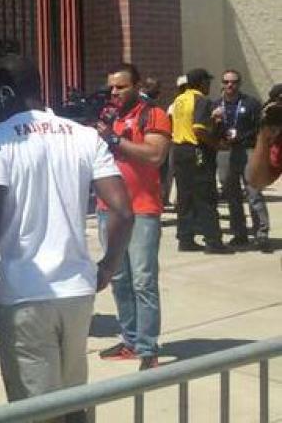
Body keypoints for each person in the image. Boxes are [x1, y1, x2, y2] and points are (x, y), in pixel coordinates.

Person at [0, 55, 134, 416]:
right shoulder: (85, 136)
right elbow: (124, 211)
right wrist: (108, 266)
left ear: (5, 93)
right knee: (74, 401)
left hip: (23, 296)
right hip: (77, 292)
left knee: (35, 411)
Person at [95, 64, 171, 371]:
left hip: (142, 210)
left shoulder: (153, 115)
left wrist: (114, 140)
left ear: (136, 86)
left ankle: (148, 348)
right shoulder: (107, 116)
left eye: (121, 87)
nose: (114, 92)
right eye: (111, 87)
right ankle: (130, 340)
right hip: (108, 209)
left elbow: (155, 155)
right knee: (118, 279)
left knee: (143, 281)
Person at [170, 68, 231, 254]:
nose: (209, 85)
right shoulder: (202, 100)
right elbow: (198, 129)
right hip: (197, 151)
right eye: (208, 81)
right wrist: (216, 144)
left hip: (179, 150)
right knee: (205, 196)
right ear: (202, 82)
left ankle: (185, 239)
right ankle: (213, 241)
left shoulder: (179, 100)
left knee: (185, 197)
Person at [213, 69, 268, 249]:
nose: (230, 85)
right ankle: (239, 233)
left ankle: (261, 234)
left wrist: (244, 138)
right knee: (231, 195)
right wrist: (216, 123)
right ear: (222, 84)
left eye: (234, 82)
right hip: (225, 152)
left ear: (239, 84)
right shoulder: (216, 105)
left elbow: (260, 127)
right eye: (226, 82)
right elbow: (210, 130)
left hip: (247, 150)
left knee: (254, 192)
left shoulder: (251, 103)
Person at [162, 75, 188, 207]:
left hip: (189, 142)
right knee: (173, 171)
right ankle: (171, 198)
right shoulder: (174, 106)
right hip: (176, 142)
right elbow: (170, 123)